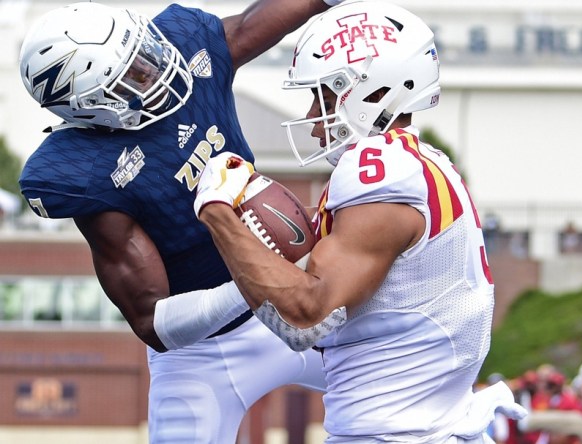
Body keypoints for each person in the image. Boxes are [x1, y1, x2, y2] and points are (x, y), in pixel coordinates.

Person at [193, 2, 527, 441]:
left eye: (325, 96)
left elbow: (305, 317)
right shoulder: (417, 164)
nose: (315, 120)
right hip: (424, 427)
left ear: (372, 91)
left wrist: (218, 212)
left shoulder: (378, 166)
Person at [17, 1, 342, 442]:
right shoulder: (85, 172)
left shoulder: (185, 44)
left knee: (412, 390)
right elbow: (154, 322)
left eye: (145, 53)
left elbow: (252, 24)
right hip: (202, 353)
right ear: (86, 108)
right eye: (131, 75)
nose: (154, 70)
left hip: (297, 303)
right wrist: (259, 282)